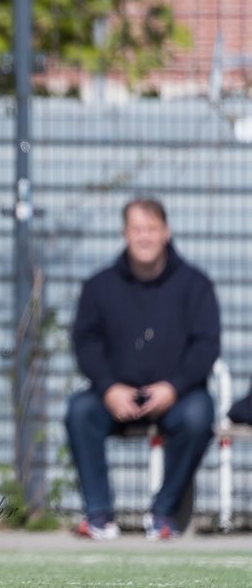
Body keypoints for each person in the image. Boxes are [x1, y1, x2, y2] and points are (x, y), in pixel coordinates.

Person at [66, 197, 220, 541]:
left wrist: (173, 387)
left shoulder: (196, 285)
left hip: (175, 397)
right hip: (114, 396)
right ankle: (98, 515)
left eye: (151, 229)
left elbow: (207, 346)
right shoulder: (98, 286)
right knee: (79, 411)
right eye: (137, 229)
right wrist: (108, 387)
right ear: (125, 234)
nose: (144, 237)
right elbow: (85, 343)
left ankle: (163, 514)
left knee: (199, 415)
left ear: (166, 232)